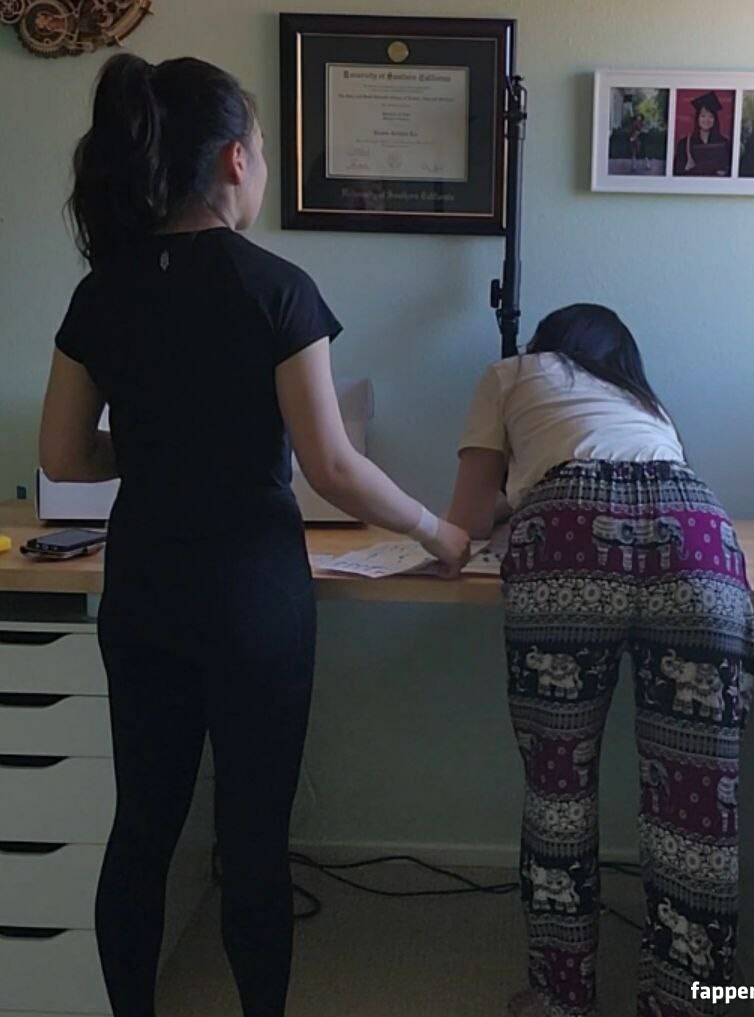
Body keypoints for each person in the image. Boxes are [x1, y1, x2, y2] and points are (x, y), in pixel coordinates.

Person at [38, 53, 469, 1017]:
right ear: (236, 159)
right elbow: (332, 466)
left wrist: (158, 445)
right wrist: (437, 530)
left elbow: (62, 454)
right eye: (263, 151)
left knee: (142, 828)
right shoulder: (274, 286)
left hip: (144, 587)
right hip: (251, 597)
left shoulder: (100, 290)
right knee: (252, 837)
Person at [446, 304, 754, 1017]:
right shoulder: (647, 405)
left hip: (567, 535)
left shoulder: (510, 373)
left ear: (544, 345)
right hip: (696, 532)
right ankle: (686, 1003)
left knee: (559, 784)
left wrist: (509, 502)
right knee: (697, 800)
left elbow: (466, 520)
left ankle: (561, 997)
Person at [673, 91, 731, 177]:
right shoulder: (684, 144)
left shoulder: (724, 143)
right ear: (697, 118)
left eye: (711, 116)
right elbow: (677, 171)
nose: (706, 120)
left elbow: (729, 170)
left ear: (715, 120)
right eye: (703, 116)